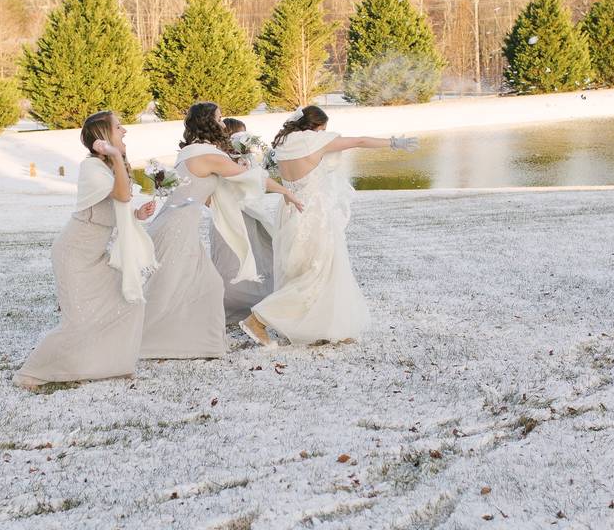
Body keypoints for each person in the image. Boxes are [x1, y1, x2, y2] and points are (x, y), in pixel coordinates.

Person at [240, 105, 419, 347]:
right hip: (315, 213)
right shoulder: (315, 141)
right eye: (324, 127)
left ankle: (319, 328)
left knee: (305, 272)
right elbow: (361, 140)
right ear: (316, 127)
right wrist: (394, 143)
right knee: (318, 273)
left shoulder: (282, 145)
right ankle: (258, 318)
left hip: (290, 210)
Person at [140, 102, 302, 359]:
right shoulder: (207, 155)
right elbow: (253, 179)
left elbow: (200, 194)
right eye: (219, 117)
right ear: (208, 122)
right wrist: (286, 191)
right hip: (175, 229)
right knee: (166, 286)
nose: (223, 122)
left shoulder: (193, 152)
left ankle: (202, 340)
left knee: (206, 286)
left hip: (176, 226)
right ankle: (145, 339)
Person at [14, 111, 157, 388]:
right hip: (74, 255)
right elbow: (122, 195)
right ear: (104, 136)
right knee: (77, 323)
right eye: (118, 127)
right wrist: (116, 155)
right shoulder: (91, 167)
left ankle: (111, 365)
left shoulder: (106, 168)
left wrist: (137, 214)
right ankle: (30, 373)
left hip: (96, 256)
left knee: (131, 302)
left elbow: (119, 205)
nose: (124, 131)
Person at [210, 118, 275, 325]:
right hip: (229, 216)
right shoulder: (219, 160)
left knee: (260, 253)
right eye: (242, 133)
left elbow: (256, 183)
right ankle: (228, 305)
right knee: (231, 259)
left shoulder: (243, 159)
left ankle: (260, 303)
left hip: (249, 213)